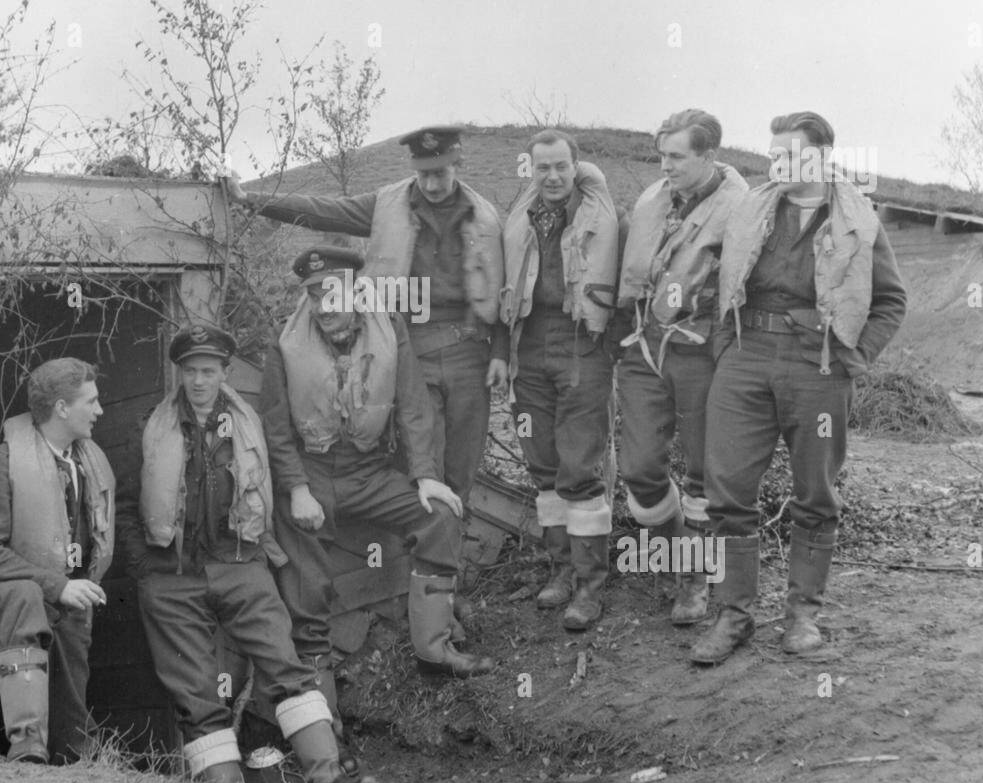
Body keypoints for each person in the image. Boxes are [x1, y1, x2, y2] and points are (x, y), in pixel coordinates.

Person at [121, 323, 378, 783]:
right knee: (196, 691)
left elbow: (278, 485)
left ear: (224, 374)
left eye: (209, 371)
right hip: (172, 576)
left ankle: (328, 778)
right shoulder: (148, 427)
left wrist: (262, 555)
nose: (199, 381)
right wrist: (146, 570)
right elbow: (127, 506)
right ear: (179, 374)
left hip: (241, 562)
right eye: (191, 372)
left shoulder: (247, 422)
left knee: (285, 662)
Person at [691, 112, 907, 665]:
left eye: (791, 156)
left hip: (819, 367)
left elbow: (889, 303)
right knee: (727, 491)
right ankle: (733, 615)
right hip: (746, 359)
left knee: (815, 492)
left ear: (823, 158)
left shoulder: (859, 221)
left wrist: (850, 359)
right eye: (774, 156)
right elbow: (722, 283)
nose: (778, 166)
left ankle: (802, 617)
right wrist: (724, 349)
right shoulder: (752, 211)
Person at [227, 126, 503, 512]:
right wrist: (250, 199)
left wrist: (501, 352)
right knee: (420, 462)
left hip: (468, 350)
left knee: (463, 462)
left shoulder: (485, 216)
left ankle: (450, 555)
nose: (432, 183)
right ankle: (415, 557)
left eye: (440, 172)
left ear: (458, 164)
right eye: (424, 174)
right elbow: (325, 210)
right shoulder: (388, 204)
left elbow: (501, 286)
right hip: (409, 344)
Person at [260, 246, 495, 686]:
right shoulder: (285, 341)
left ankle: (435, 650)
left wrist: (425, 474)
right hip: (311, 474)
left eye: (332, 294)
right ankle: (320, 702)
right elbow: (274, 425)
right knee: (306, 581)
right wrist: (295, 489)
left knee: (439, 516)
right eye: (314, 296)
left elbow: (413, 405)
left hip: (368, 472)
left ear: (354, 292)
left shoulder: (388, 327)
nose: (323, 307)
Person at [614, 109, 748, 624]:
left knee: (703, 475)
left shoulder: (742, 209)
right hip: (644, 349)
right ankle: (673, 555)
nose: (664, 165)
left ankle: (692, 579)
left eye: (676, 156)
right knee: (639, 467)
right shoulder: (653, 200)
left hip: (703, 354)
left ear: (708, 155)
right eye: (661, 155)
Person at [489, 133, 621, 630]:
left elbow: (624, 284)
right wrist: (502, 352)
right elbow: (506, 290)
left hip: (582, 343)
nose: (552, 177)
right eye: (542, 168)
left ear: (575, 167)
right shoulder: (520, 219)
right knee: (543, 464)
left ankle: (590, 585)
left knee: (579, 464)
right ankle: (561, 569)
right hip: (530, 345)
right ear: (530, 170)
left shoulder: (601, 213)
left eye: (561, 166)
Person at [0, 358, 115, 765]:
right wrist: (56, 585)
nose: (99, 411)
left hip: (60, 605)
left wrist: (68, 589)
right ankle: (26, 744)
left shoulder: (85, 465)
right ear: (62, 408)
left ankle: (73, 758)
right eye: (91, 402)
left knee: (73, 740)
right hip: (1, 602)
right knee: (26, 595)